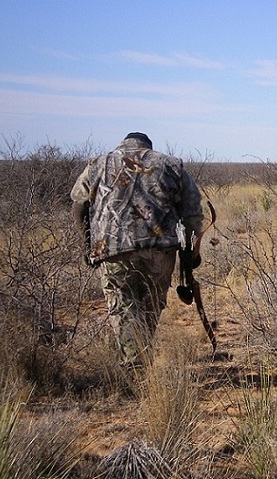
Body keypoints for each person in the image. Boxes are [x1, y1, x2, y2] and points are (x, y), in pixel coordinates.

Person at [71, 132, 204, 369]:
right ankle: (139, 366)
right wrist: (192, 251)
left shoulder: (97, 164)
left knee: (122, 307)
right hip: (159, 252)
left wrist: (87, 244)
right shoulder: (170, 164)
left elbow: (79, 205)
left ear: (123, 144)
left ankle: (135, 369)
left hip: (113, 249)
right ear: (148, 147)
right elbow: (193, 213)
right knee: (150, 307)